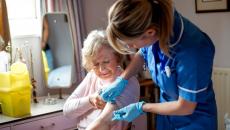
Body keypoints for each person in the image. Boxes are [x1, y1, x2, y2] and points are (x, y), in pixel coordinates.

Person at [100, 0, 217, 129]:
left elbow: (186, 107)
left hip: (193, 120)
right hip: (166, 113)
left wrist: (141, 107)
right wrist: (122, 79)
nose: (130, 47)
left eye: (132, 43)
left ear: (150, 32)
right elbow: (143, 53)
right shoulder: (154, 25)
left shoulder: (193, 50)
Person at [63, 30, 140, 130]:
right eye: (95, 64)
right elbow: (67, 111)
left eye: (106, 62)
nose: (101, 69)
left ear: (117, 57)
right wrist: (90, 100)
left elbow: (103, 123)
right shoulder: (92, 76)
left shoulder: (128, 83)